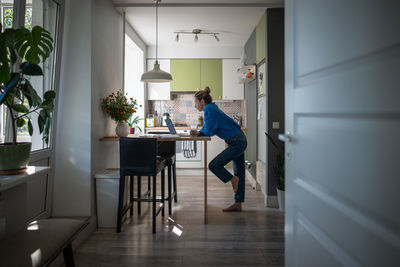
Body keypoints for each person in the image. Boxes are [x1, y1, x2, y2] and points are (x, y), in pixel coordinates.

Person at [191, 87, 247, 212]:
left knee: (214, 165)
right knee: (239, 172)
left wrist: (200, 133)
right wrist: (201, 132)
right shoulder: (212, 108)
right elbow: (210, 127)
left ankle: (232, 180)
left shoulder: (209, 109)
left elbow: (209, 129)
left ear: (202, 102)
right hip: (239, 139)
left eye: (195, 103)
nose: (195, 106)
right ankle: (238, 204)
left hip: (236, 142)